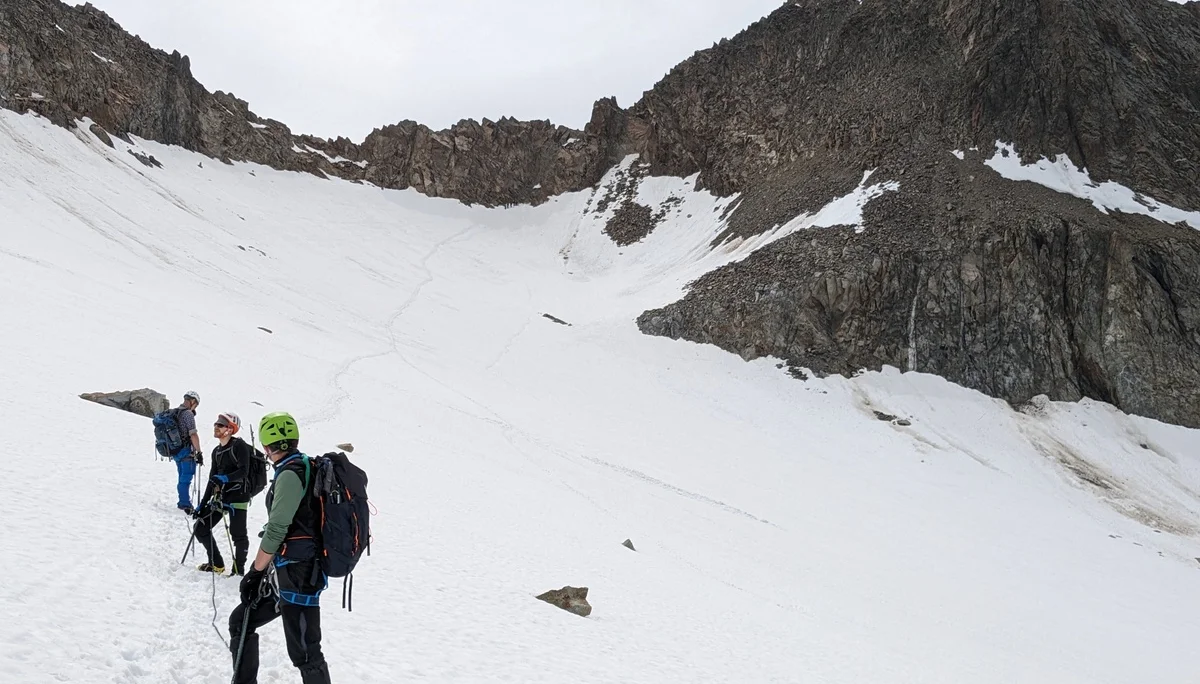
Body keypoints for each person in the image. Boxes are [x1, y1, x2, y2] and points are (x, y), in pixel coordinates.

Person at [230, 412, 331, 684]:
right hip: (290, 573)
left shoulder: (290, 474)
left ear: (266, 445)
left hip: (298, 575)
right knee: (241, 621)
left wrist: (254, 572)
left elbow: (277, 529)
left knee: (306, 652)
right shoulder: (303, 467)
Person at [192, 412, 254, 575]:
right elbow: (213, 480)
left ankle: (238, 570)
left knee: (238, 535)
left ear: (230, 429)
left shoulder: (239, 446)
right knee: (200, 528)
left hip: (239, 496)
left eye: (221, 424)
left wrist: (225, 478)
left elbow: (244, 471)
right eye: (216, 423)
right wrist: (202, 504)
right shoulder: (216, 451)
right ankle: (216, 564)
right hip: (222, 497)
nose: (216, 426)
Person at [173, 391, 204, 513]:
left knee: (182, 477)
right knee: (185, 479)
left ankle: (183, 500)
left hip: (176, 451)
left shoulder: (176, 412)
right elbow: (193, 434)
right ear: (193, 402)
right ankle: (184, 504)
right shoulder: (188, 414)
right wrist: (199, 452)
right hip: (186, 451)